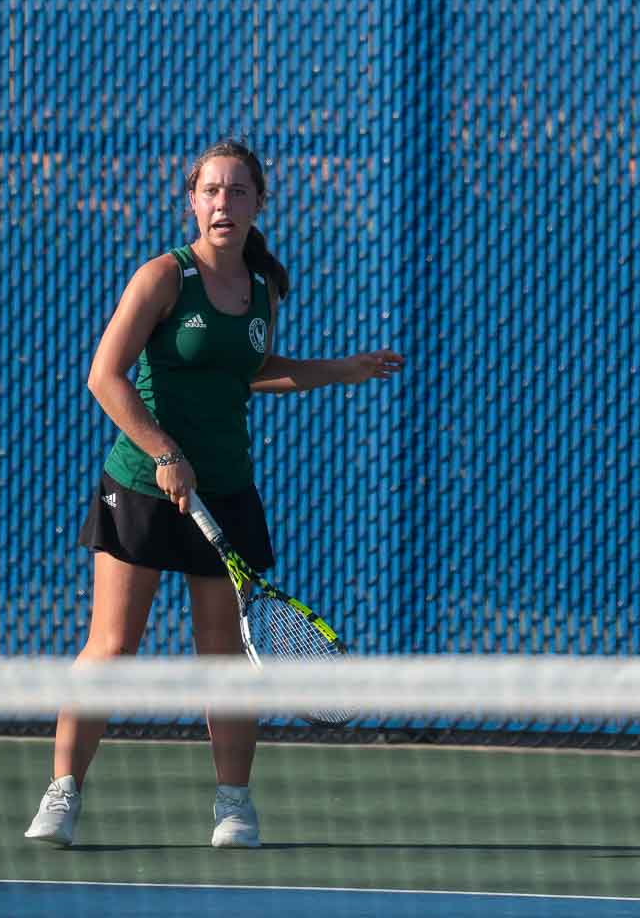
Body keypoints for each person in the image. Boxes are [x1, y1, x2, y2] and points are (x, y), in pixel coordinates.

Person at [24, 138, 403, 849]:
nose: (223, 203)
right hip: (142, 486)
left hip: (224, 491)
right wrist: (164, 453)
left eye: (237, 191)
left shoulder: (264, 289)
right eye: (211, 191)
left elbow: (247, 369)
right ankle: (63, 792)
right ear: (192, 203)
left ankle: (234, 806)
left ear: (259, 203)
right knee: (113, 645)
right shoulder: (163, 277)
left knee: (223, 655)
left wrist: (341, 369)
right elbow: (105, 375)